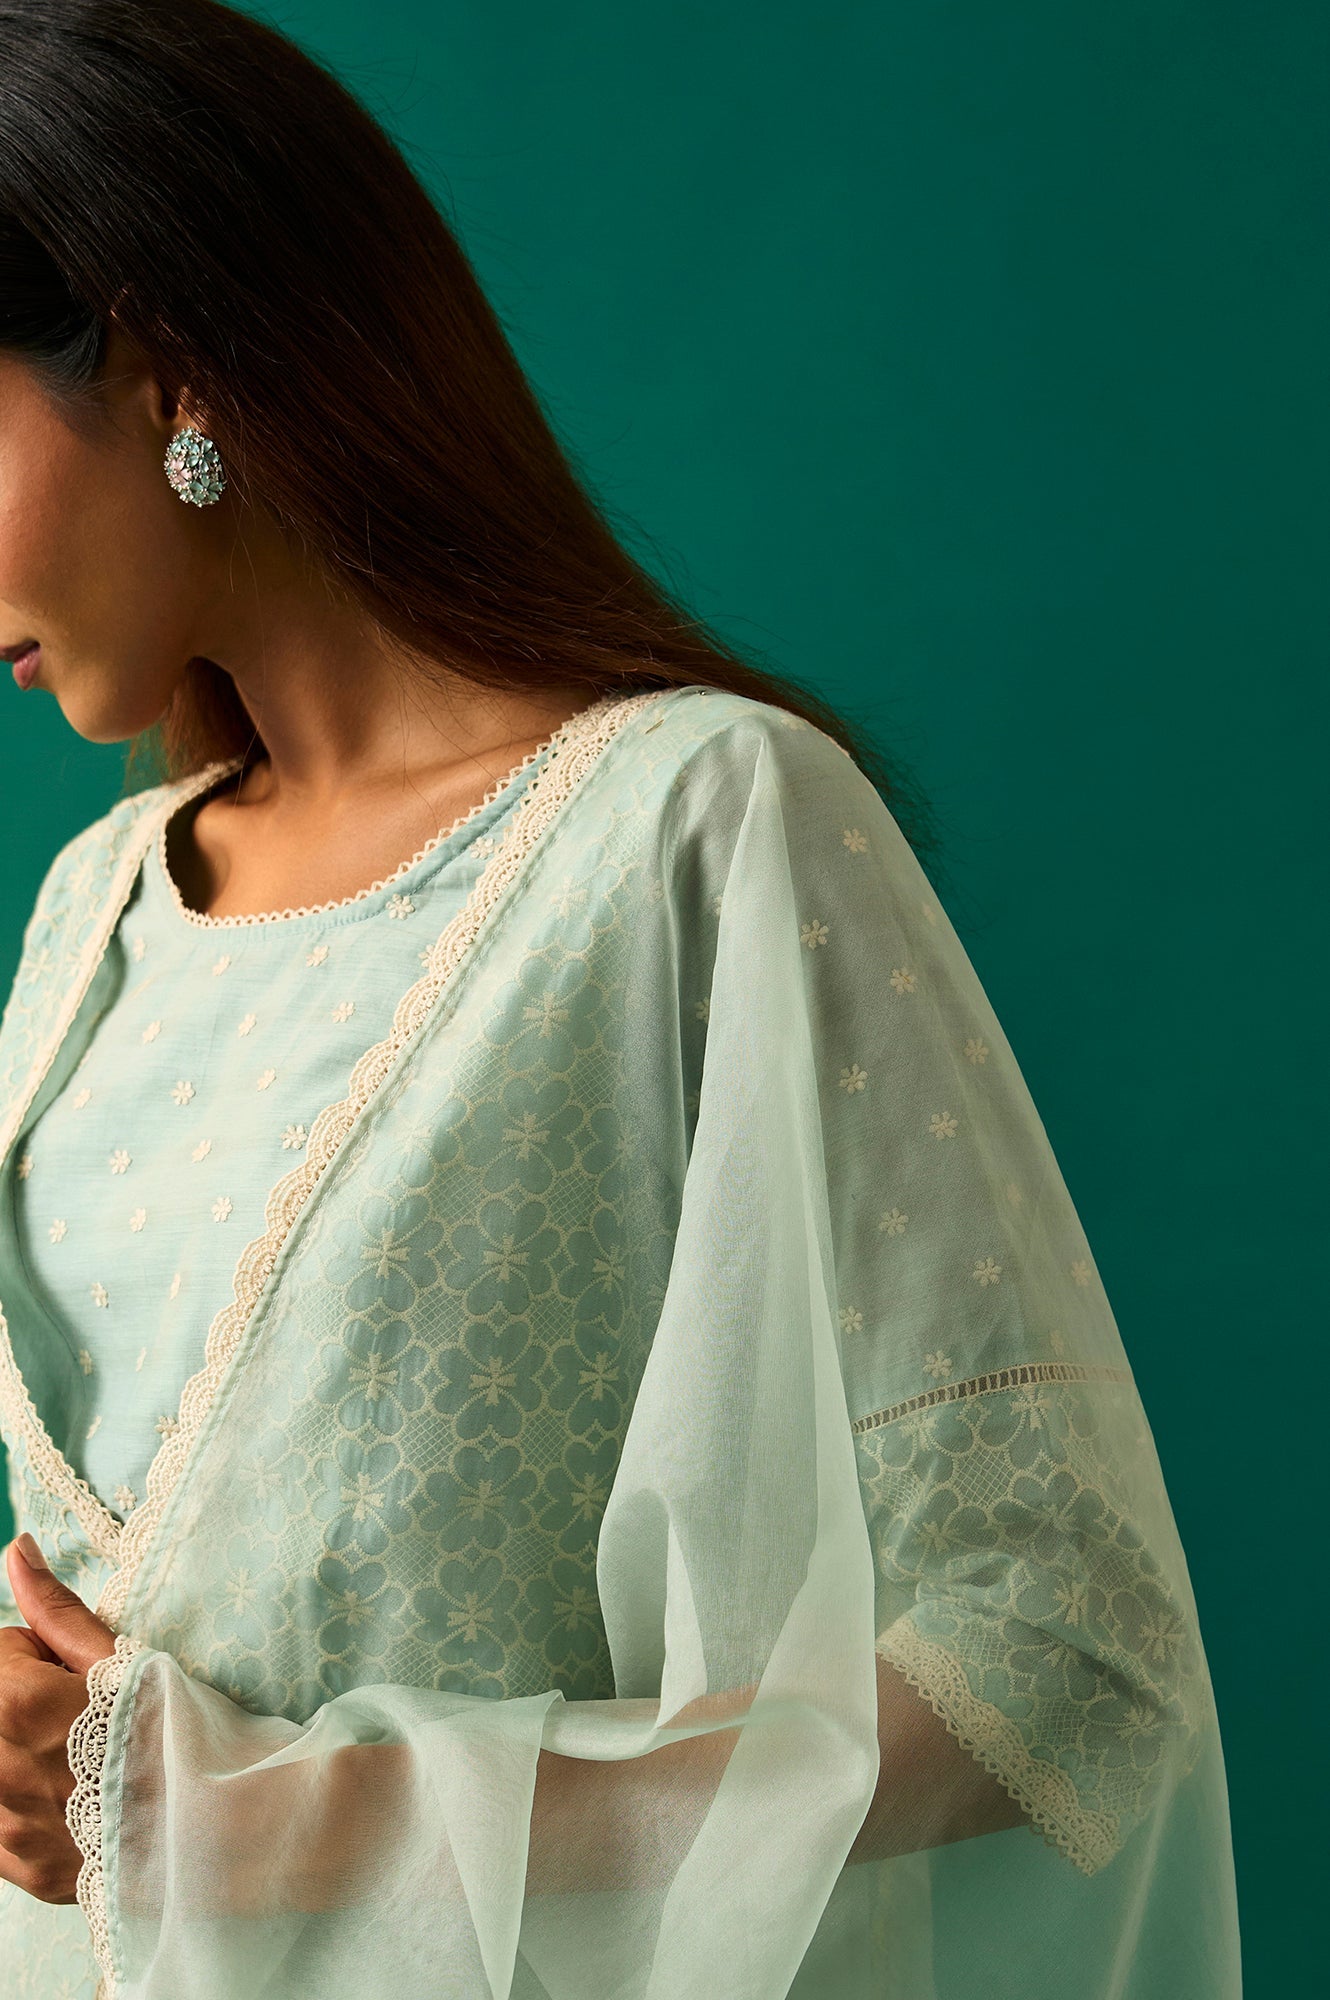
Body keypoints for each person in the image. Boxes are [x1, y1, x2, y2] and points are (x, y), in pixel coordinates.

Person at [0, 4, 1240, 1997]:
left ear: (158, 364)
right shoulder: (90, 921)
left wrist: (289, 1817)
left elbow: (1060, 1655)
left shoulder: (695, 827)